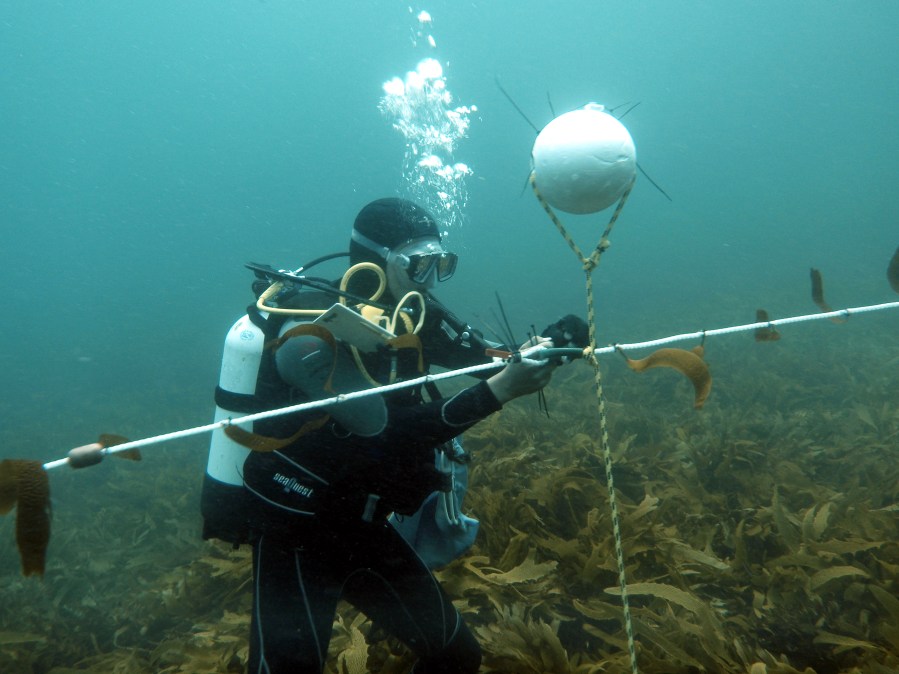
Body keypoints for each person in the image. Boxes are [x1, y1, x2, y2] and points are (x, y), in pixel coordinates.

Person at [202, 198, 587, 673]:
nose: (428, 279)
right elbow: (384, 432)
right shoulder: (309, 334)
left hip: (363, 521)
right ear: (376, 259)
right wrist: (501, 391)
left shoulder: (410, 310)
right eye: (419, 264)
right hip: (298, 527)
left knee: (455, 655)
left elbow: (489, 361)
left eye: (439, 264)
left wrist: (546, 348)